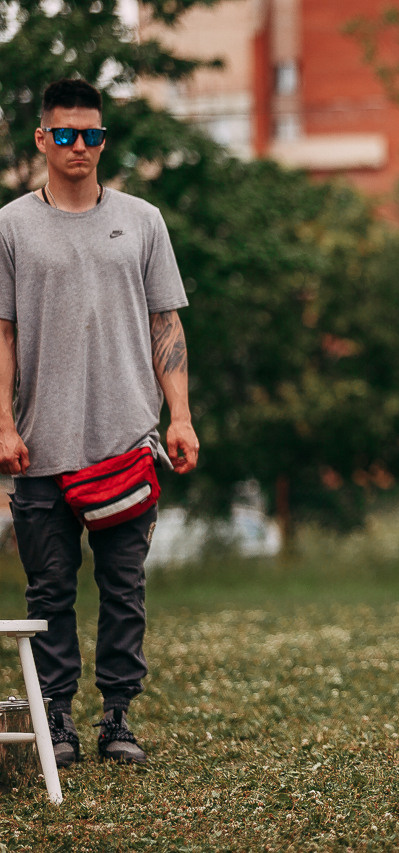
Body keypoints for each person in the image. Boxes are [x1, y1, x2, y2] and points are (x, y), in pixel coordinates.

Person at [0, 79, 198, 768]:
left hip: (125, 443)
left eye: (90, 135)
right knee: (49, 589)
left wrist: (181, 417)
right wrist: (3, 423)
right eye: (64, 134)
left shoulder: (142, 220)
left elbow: (165, 323)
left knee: (125, 587)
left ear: (103, 141)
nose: (78, 146)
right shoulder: (11, 224)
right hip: (41, 447)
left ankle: (118, 715)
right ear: (41, 139)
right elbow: (2, 332)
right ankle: (57, 715)